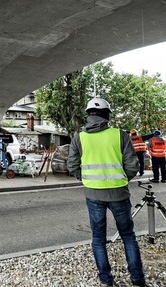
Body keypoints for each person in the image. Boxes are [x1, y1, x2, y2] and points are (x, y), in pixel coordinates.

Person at [67, 98, 145, 287]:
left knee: (98, 238)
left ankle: (106, 279)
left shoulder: (80, 137)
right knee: (128, 236)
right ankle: (137, 279)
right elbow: (133, 164)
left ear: (89, 115)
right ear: (107, 115)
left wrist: (86, 180)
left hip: (94, 195)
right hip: (119, 193)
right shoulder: (120, 135)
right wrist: (122, 179)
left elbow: (72, 165)